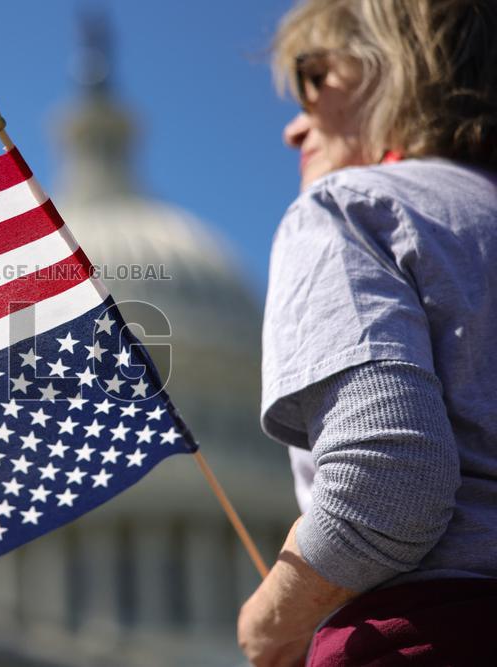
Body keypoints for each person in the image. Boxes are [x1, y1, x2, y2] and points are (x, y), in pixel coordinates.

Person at [236, 0, 497, 665]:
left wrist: (271, 620)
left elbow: (386, 479)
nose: (296, 125)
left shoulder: (349, 208)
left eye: (313, 75)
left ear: (396, 65)